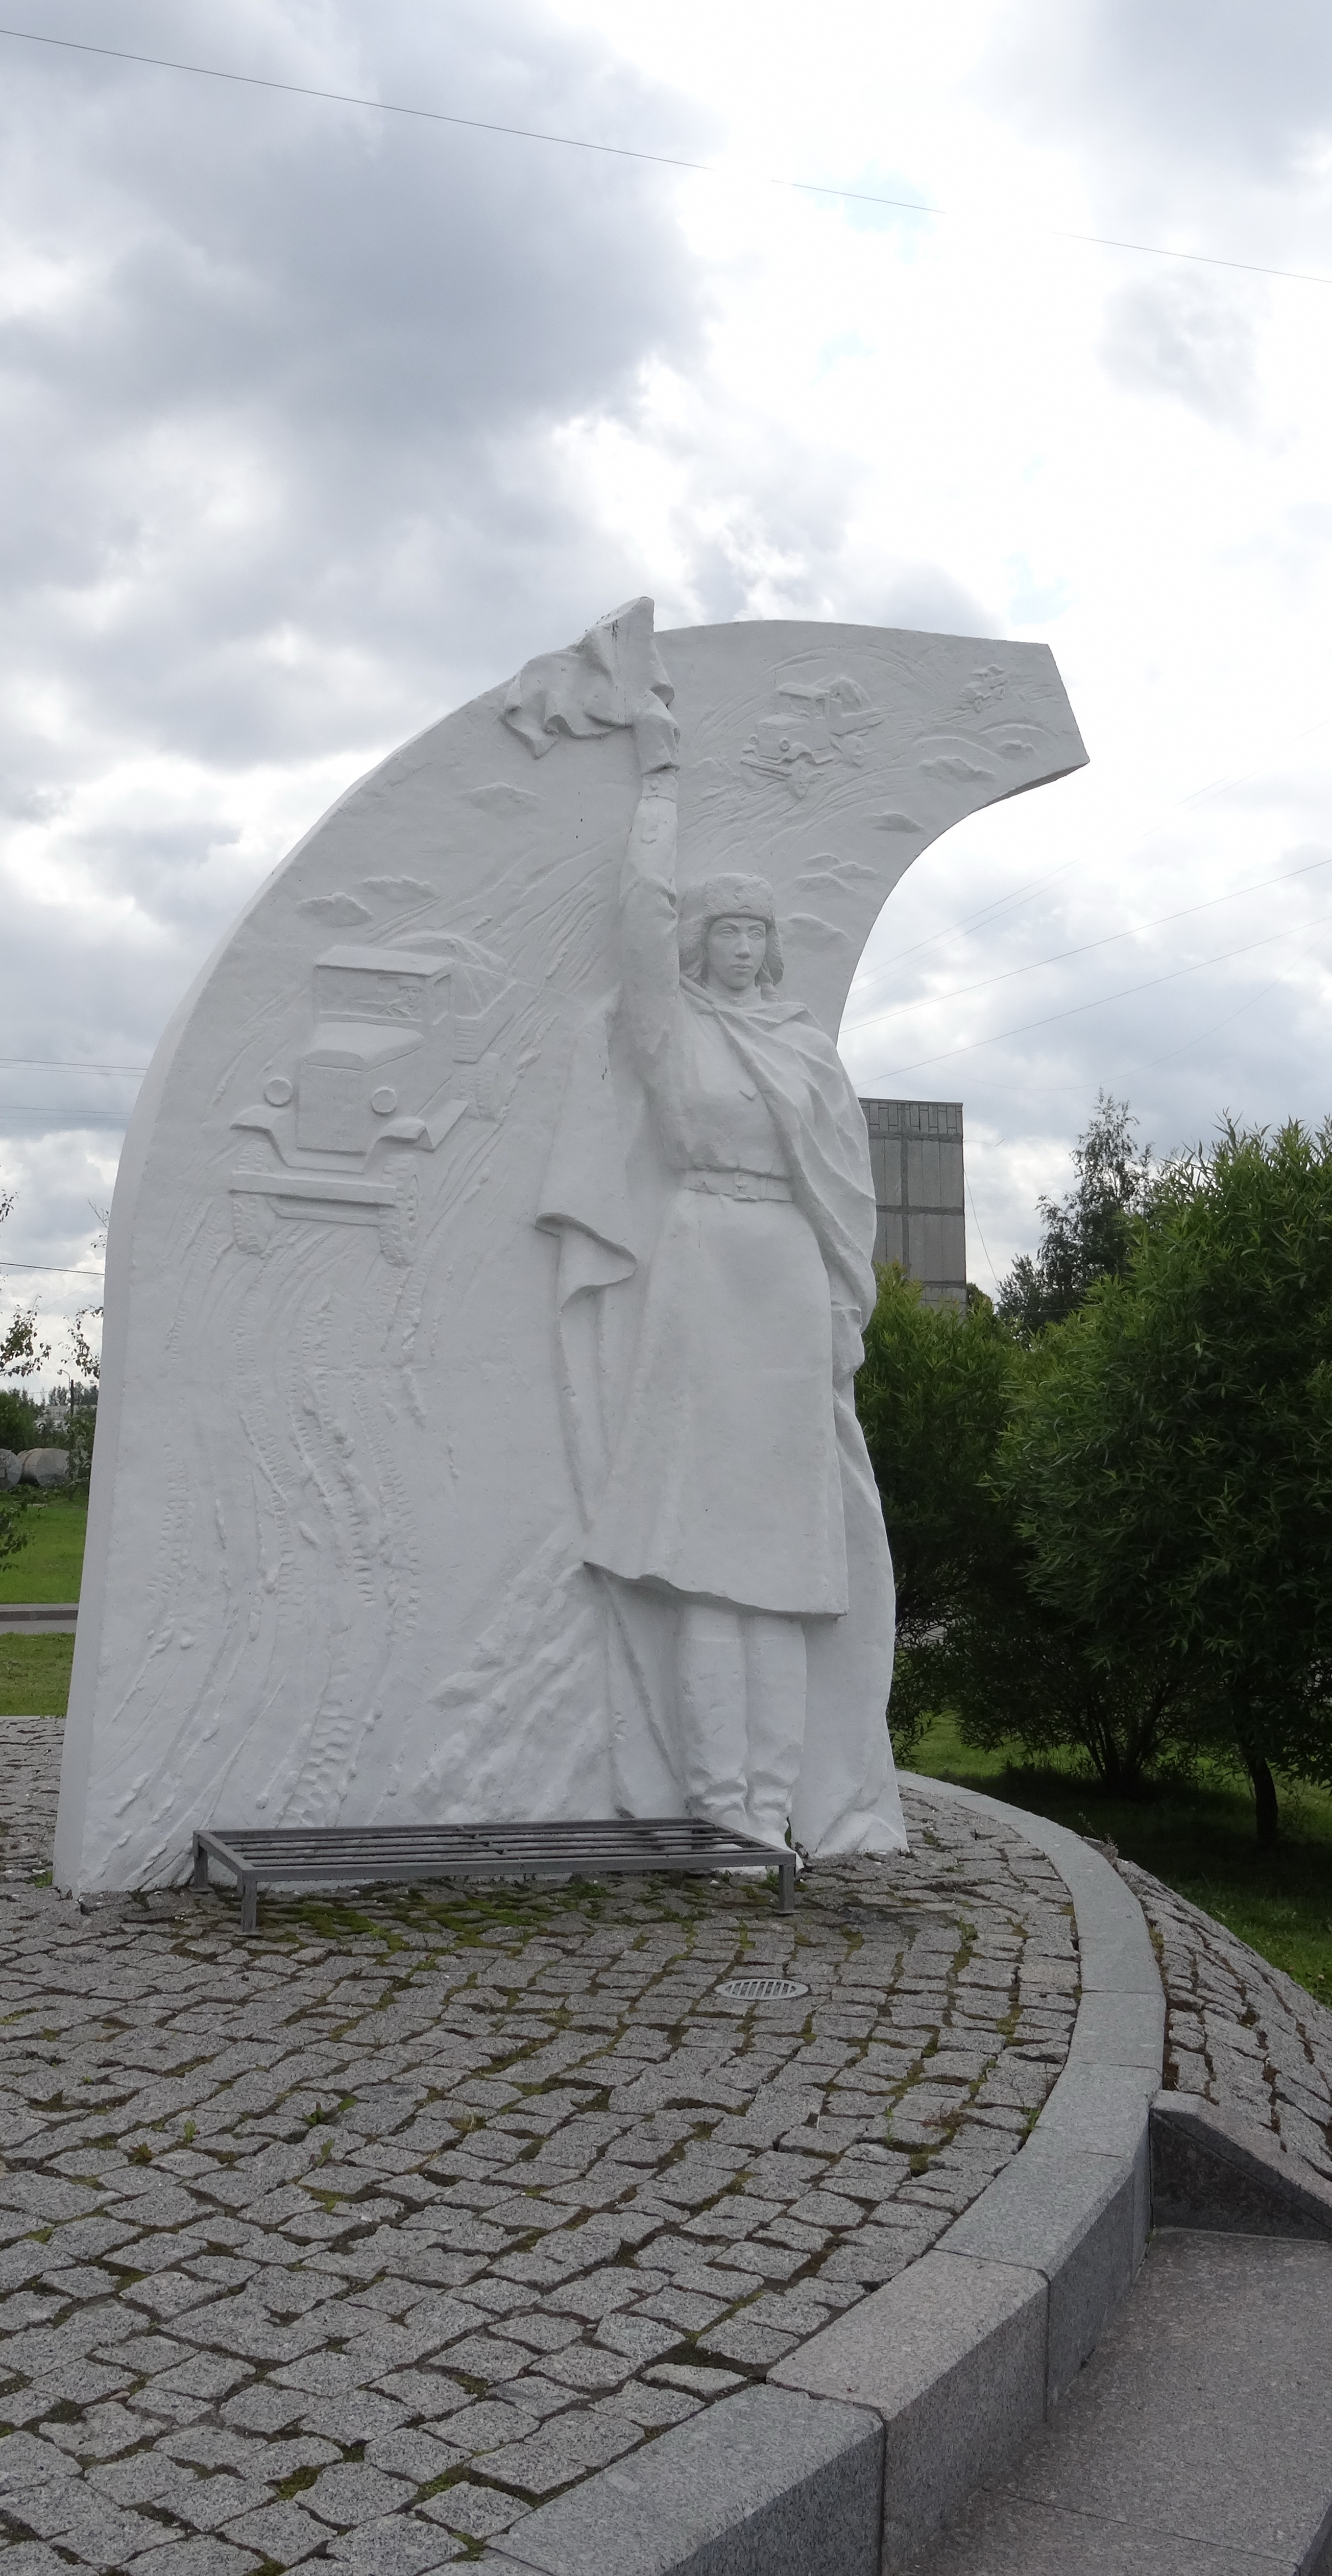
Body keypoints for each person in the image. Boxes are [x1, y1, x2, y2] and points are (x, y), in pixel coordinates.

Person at [566, 762, 884, 1849]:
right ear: (702, 942)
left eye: (758, 932)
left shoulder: (804, 1048)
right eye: (727, 931)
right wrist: (653, 795)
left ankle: (775, 1807)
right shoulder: (672, 1030)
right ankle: (722, 1808)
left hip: (787, 1279)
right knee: (703, 1553)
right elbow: (638, 937)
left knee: (790, 1566)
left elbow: (844, 1189)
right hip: (700, 1267)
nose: (742, 949)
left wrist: (844, 1307)